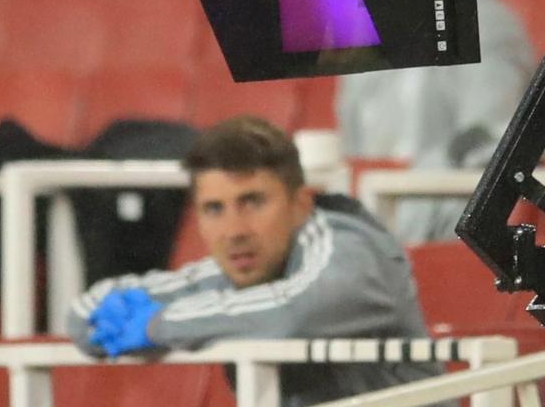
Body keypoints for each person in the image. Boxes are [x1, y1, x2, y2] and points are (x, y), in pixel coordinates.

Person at [67, 116, 446, 407]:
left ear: (300, 204)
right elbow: (84, 313)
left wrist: (158, 324)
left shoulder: (353, 252)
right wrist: (106, 320)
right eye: (214, 209)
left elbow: (293, 312)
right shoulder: (237, 270)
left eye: (253, 202)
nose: (234, 231)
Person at [336, 0, 545, 243]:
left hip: (444, 218)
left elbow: (488, 146)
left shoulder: (481, 22)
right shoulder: (364, 31)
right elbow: (353, 155)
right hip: (377, 216)